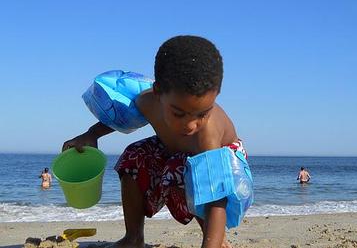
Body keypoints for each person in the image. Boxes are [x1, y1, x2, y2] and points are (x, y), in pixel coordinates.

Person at [62, 36, 248, 248]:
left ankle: (217, 240)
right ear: (158, 93)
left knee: (181, 168)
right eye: (179, 114)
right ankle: (134, 237)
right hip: (174, 151)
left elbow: (216, 197)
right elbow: (121, 119)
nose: (191, 125)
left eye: (203, 113)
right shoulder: (145, 101)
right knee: (134, 155)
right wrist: (91, 135)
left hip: (226, 164)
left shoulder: (207, 134)